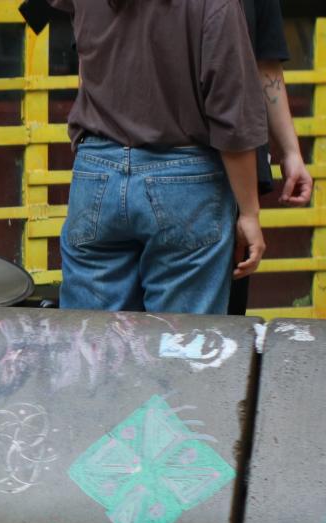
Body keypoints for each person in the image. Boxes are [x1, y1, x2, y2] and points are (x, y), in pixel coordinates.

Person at [51, 0, 270, 314]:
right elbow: (232, 119)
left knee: (92, 349)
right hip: (186, 182)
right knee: (180, 349)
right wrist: (249, 212)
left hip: (96, 172)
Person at [229, 0, 315, 315]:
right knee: (208, 332)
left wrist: (291, 151)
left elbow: (265, 65)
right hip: (211, 173)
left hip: (228, 173)